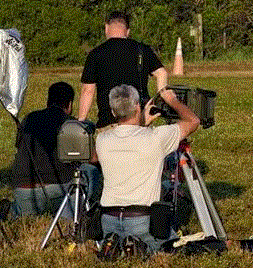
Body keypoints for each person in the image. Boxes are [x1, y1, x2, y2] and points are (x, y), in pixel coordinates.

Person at [96, 83, 200, 254]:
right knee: (173, 246)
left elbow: (128, 143)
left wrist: (142, 123)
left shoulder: (102, 140)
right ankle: (142, 247)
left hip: (108, 220)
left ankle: (118, 245)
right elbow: (193, 121)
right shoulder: (156, 138)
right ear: (138, 107)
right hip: (141, 219)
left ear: (113, 112)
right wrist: (172, 100)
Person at [12, 81, 77, 217]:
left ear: (48, 100)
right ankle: (68, 217)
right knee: (89, 174)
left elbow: (19, 146)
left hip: (23, 191)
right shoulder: (69, 123)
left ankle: (14, 211)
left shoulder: (29, 118)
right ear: (69, 104)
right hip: (57, 190)